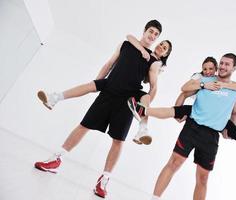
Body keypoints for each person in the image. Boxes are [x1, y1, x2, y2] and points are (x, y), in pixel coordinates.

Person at [34, 19, 166, 198]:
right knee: (83, 126)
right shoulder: (127, 44)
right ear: (144, 31)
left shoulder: (152, 60)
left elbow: (153, 86)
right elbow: (109, 64)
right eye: (151, 31)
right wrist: (97, 82)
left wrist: (147, 104)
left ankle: (103, 181)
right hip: (109, 90)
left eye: (156, 35)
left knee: (118, 141)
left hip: (127, 100)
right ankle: (56, 159)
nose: (152, 36)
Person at [129, 56, 236, 177]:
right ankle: (144, 110)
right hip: (197, 113)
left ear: (232, 68)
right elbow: (184, 91)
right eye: (219, 64)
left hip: (219, 121)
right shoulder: (202, 78)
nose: (212, 69)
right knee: (174, 110)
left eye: (222, 65)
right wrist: (200, 86)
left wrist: (231, 125)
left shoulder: (232, 88)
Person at [37, 35, 172, 145]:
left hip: (130, 92)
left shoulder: (155, 63)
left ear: (165, 54)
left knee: (145, 98)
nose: (161, 46)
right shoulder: (133, 46)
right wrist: (97, 81)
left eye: (164, 47)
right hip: (112, 83)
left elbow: (153, 86)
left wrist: (146, 107)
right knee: (90, 86)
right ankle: (54, 98)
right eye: (161, 43)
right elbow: (129, 37)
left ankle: (142, 130)